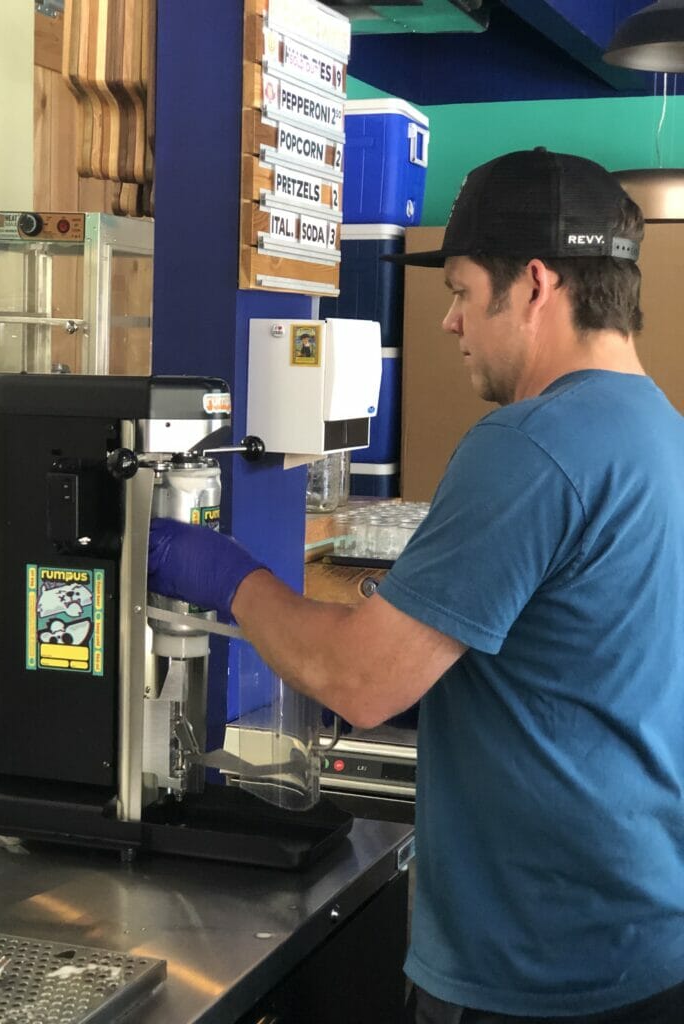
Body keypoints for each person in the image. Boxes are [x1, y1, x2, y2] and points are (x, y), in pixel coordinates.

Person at [148, 148, 684, 1023]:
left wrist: (223, 574)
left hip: (535, 967)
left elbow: (359, 681)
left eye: (462, 291)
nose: (450, 323)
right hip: (644, 936)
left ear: (537, 285)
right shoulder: (659, 430)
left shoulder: (529, 444)